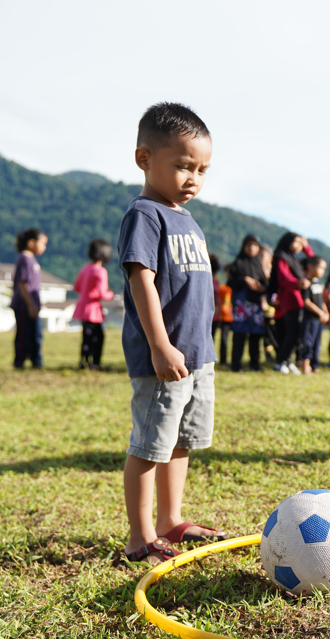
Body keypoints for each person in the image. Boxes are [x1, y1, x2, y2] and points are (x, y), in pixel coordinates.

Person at [118, 102, 226, 564]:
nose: (193, 179)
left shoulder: (189, 220)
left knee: (181, 441)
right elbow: (141, 277)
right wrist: (160, 344)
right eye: (183, 166)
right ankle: (140, 538)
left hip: (197, 357)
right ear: (144, 159)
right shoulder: (145, 214)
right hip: (164, 358)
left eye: (201, 169)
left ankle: (171, 520)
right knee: (150, 445)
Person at [270, 232, 314, 375]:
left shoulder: (294, 259)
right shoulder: (281, 258)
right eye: (296, 242)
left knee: (296, 333)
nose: (299, 246)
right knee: (292, 333)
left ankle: (288, 361)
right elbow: (283, 279)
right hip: (289, 300)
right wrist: (298, 283)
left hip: (297, 299)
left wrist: (307, 248)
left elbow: (314, 262)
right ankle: (281, 361)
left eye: (301, 243)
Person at [72, 238, 116, 370]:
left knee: (86, 337)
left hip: (82, 307)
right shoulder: (100, 271)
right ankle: (95, 363)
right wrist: (111, 294)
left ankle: (83, 361)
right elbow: (103, 294)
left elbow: (77, 287)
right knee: (98, 337)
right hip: (93, 309)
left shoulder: (85, 268)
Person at [229, 234, 267, 372]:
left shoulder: (259, 265)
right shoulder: (238, 263)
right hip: (242, 306)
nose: (252, 248)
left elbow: (265, 284)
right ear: (243, 246)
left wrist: (262, 288)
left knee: (256, 336)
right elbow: (231, 282)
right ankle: (236, 365)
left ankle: (254, 364)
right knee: (239, 335)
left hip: (256, 305)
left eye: (255, 245)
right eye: (249, 245)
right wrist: (245, 279)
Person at [10, 228, 48, 369]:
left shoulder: (30, 259)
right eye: (43, 243)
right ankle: (19, 362)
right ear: (31, 243)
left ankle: (35, 360)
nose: (44, 247)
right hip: (24, 305)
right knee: (23, 335)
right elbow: (22, 284)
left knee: (35, 334)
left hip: (31, 305)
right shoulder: (25, 259)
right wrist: (30, 305)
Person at [299, 256, 329, 374]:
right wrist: (320, 312)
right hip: (309, 319)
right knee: (308, 342)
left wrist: (325, 312)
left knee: (317, 343)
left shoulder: (318, 283)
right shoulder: (306, 283)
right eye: (321, 268)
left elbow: (321, 301)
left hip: (319, 320)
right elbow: (306, 302)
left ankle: (314, 365)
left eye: (324, 269)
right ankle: (305, 366)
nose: (323, 271)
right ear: (310, 267)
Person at [209, 255, 232, 367]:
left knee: (213, 338)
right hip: (215, 314)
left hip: (215, 314)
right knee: (212, 338)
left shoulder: (214, 280)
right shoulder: (215, 281)